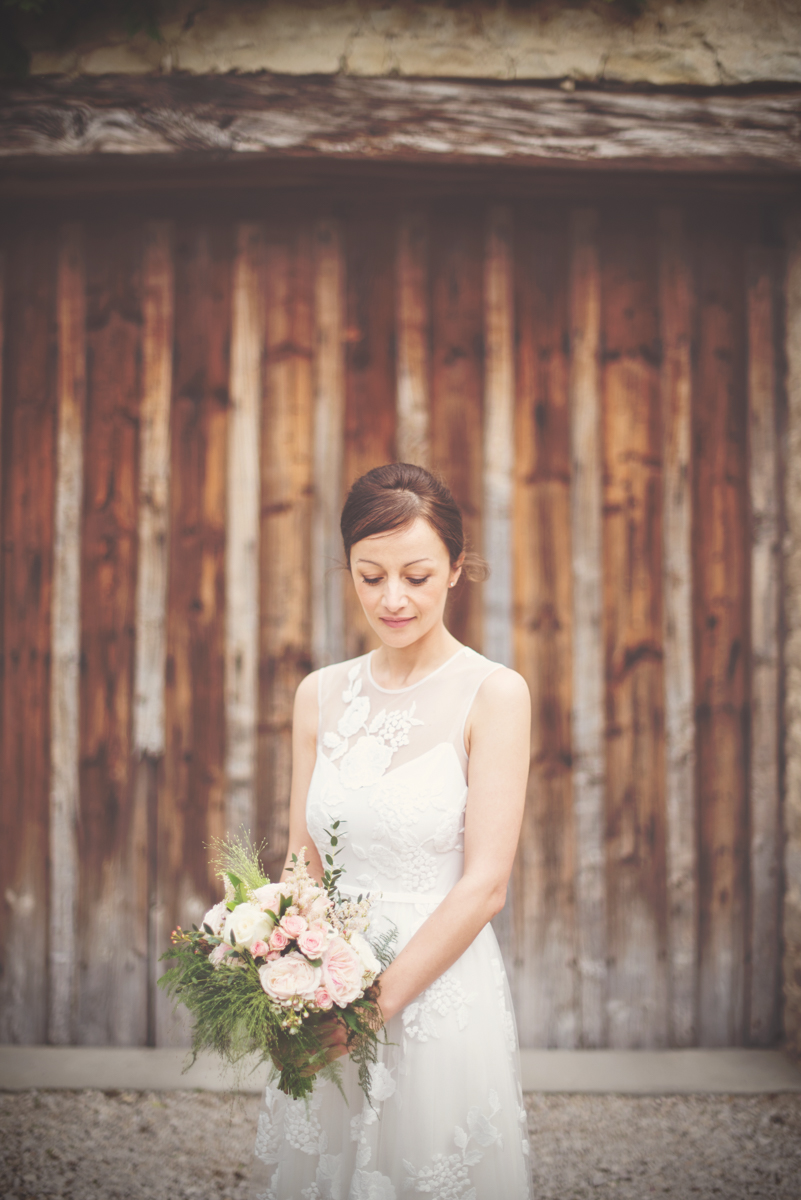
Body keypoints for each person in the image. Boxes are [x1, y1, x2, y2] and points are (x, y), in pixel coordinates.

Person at [252, 463, 532, 1200]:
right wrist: (289, 976)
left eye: (415, 574)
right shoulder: (319, 694)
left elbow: (486, 885)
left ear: (456, 570)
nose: (392, 598)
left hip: (436, 989)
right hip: (326, 984)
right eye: (369, 576)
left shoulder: (493, 694)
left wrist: (371, 1010)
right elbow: (300, 862)